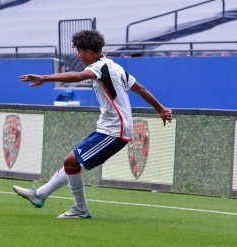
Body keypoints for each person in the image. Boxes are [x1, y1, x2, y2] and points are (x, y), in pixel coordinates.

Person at [13, 30, 172, 219]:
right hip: (108, 128)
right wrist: (160, 108)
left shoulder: (101, 67)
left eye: (79, 52)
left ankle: (80, 209)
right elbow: (141, 89)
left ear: (88, 52)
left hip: (115, 130)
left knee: (70, 161)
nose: (79, 56)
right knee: (73, 163)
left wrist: (45, 78)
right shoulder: (115, 67)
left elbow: (79, 76)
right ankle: (39, 195)